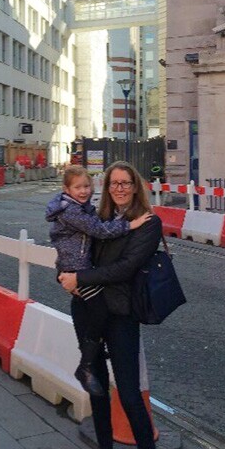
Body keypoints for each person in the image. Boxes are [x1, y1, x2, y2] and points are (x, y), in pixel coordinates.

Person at [59, 161, 163, 449]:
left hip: (120, 316)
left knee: (130, 395)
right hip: (87, 310)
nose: (119, 188)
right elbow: (68, 255)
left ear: (135, 187)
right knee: (98, 390)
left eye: (125, 183)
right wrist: (65, 277)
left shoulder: (148, 223)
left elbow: (126, 268)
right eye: (113, 183)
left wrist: (81, 278)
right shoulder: (94, 219)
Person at [46, 165, 151, 397]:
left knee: (98, 310)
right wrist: (130, 225)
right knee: (99, 308)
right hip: (77, 268)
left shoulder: (81, 208)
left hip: (79, 269)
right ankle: (87, 363)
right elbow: (99, 231)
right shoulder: (73, 211)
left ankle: (92, 354)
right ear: (66, 189)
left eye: (86, 186)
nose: (83, 191)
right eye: (78, 187)